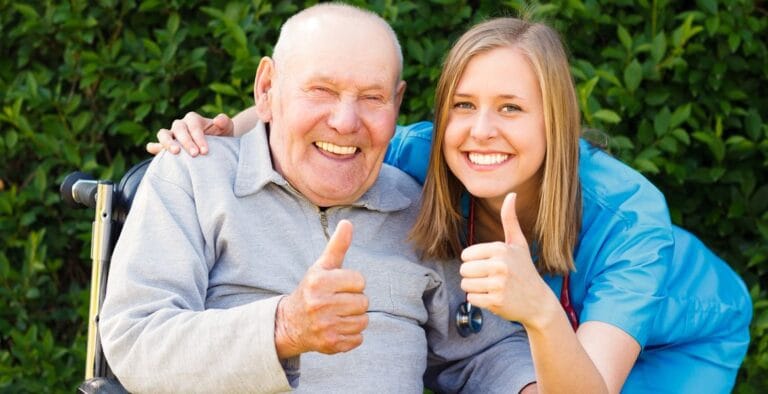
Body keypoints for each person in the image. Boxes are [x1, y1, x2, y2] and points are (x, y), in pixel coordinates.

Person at [156, 16, 753, 394]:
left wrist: (541, 314)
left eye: (511, 108)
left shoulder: (629, 218)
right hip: (519, 335)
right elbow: (328, 121)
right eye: (464, 105)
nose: (480, 130)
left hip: (674, 338)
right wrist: (223, 128)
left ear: (556, 121)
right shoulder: (423, 153)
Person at [101, 5, 537, 393]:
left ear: (397, 102)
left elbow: (481, 352)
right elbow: (136, 341)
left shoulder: (414, 206)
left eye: (372, 98)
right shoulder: (195, 177)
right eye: (322, 91)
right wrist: (284, 328)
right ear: (267, 89)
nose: (345, 122)